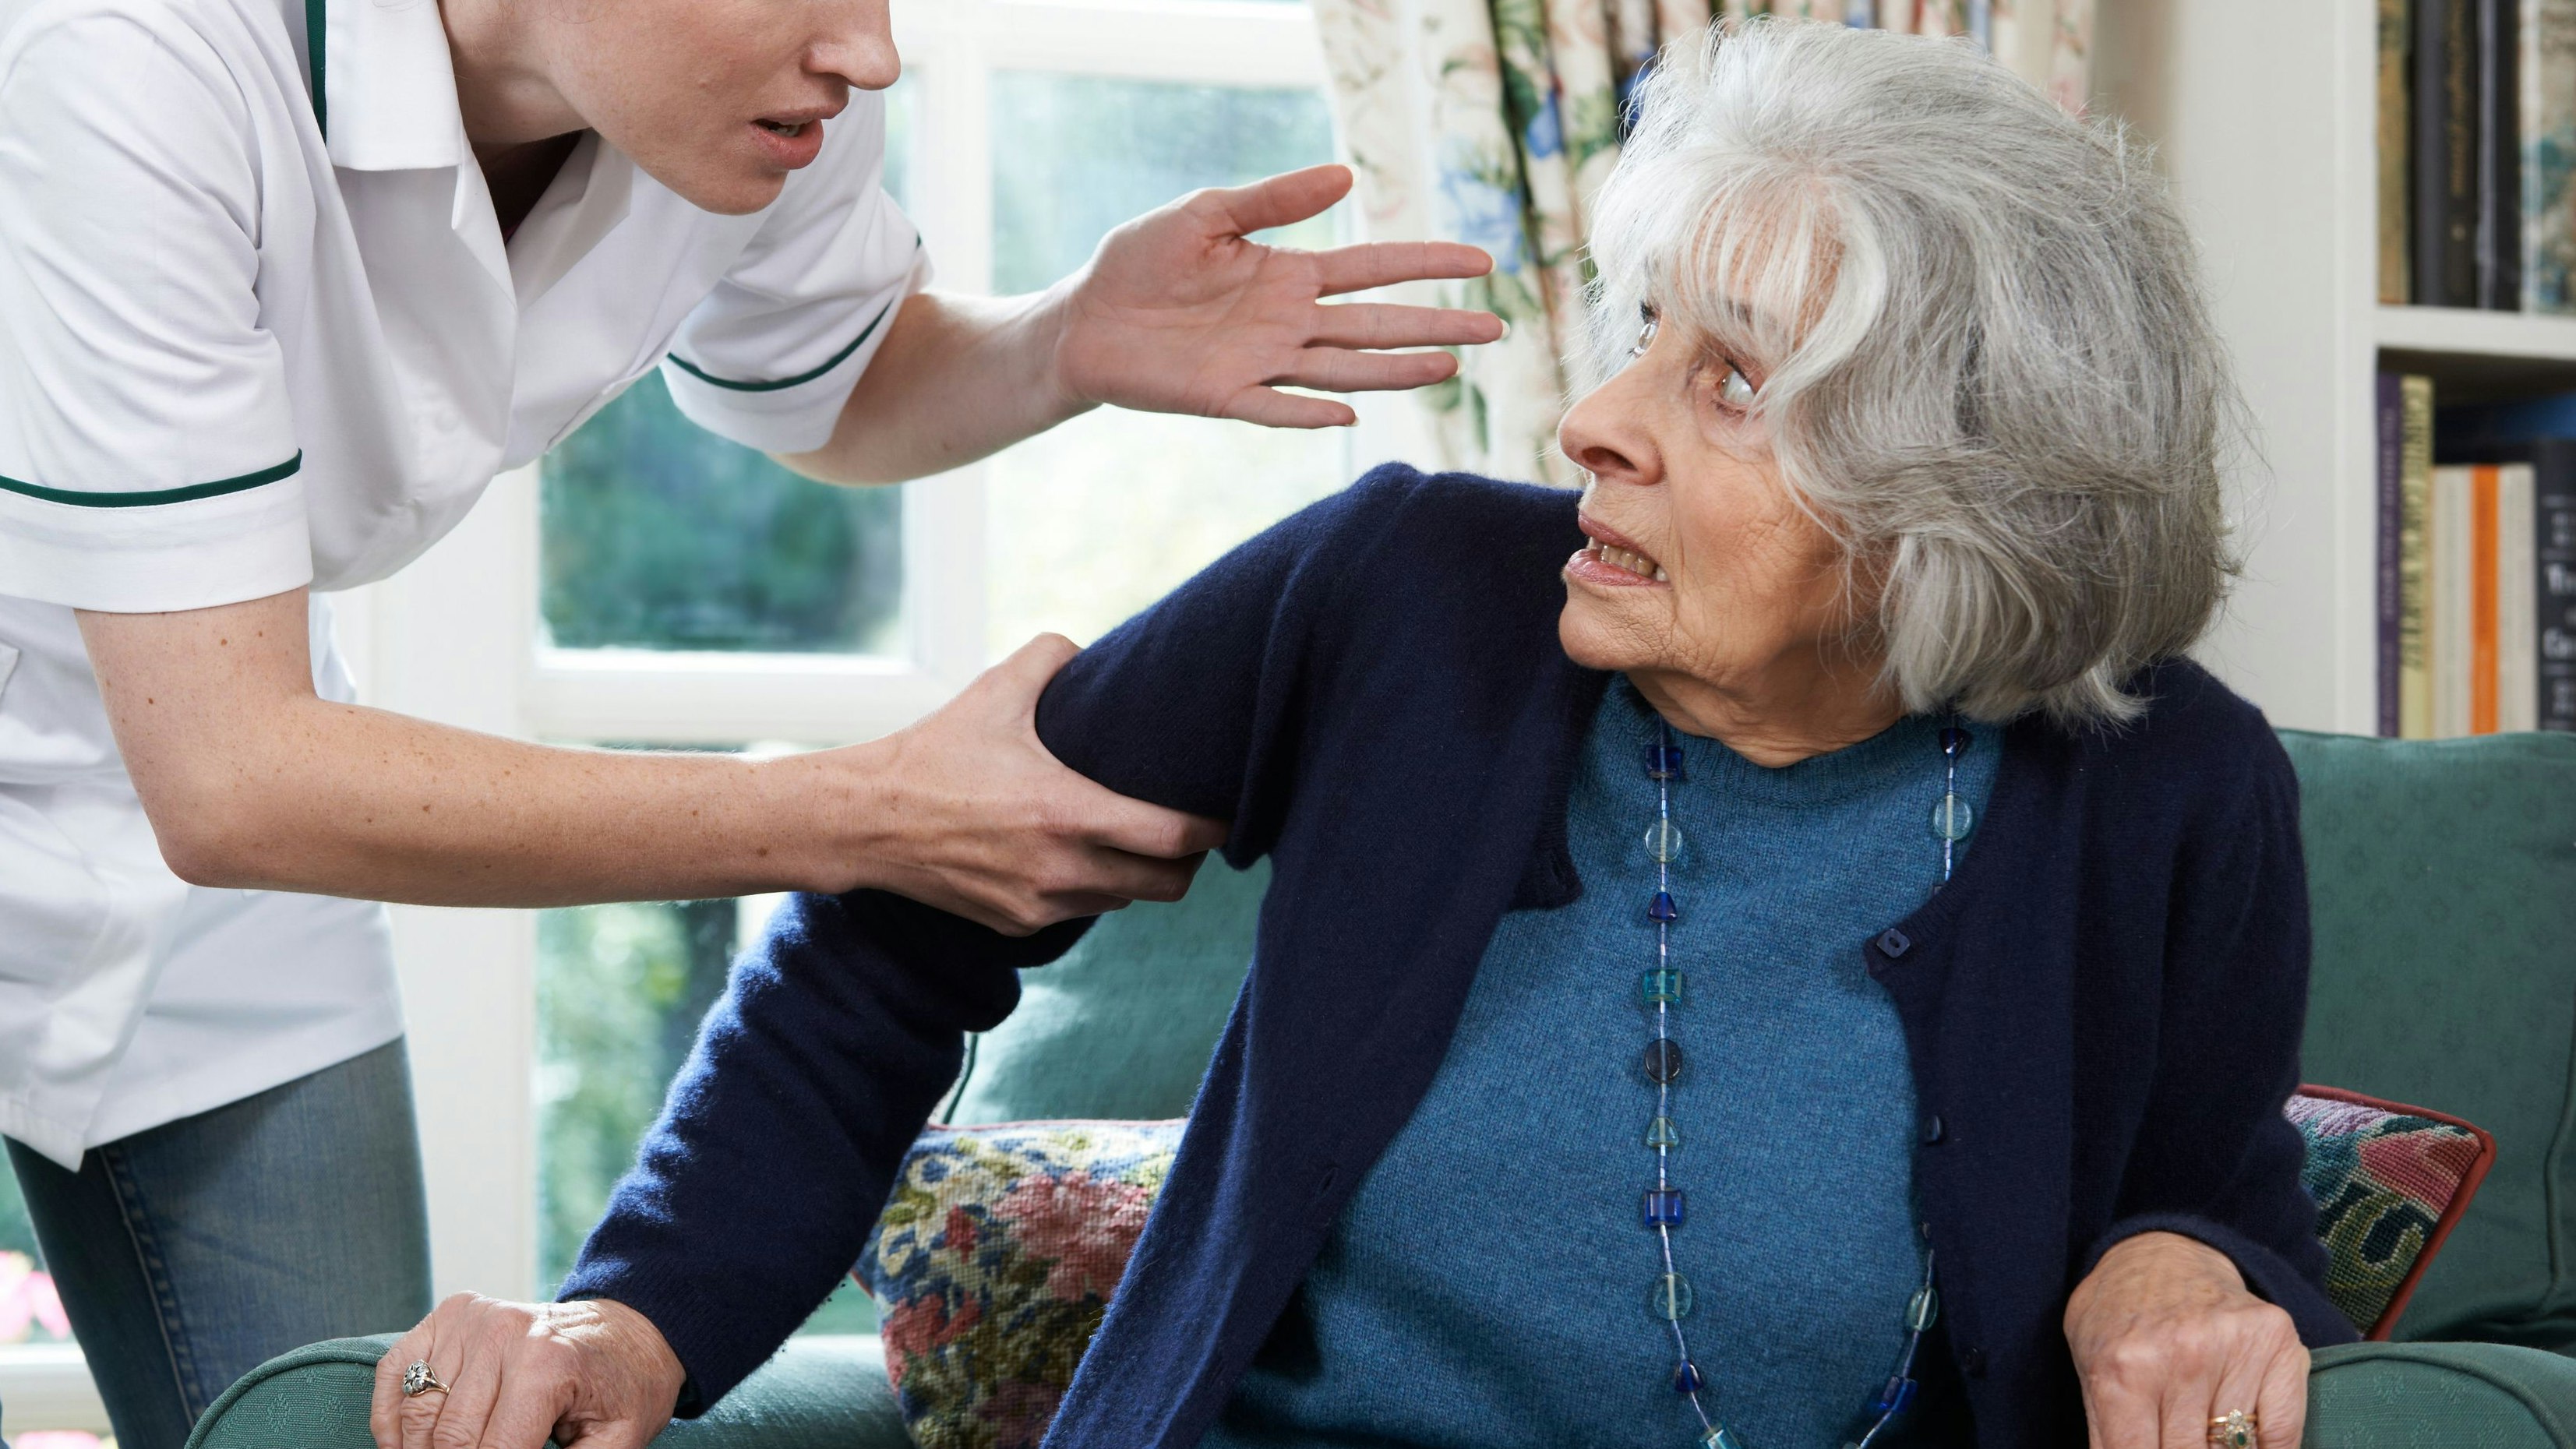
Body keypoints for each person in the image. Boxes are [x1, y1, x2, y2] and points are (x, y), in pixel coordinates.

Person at [370, 20, 2352, 1449]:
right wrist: (631, 1318)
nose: (1598, 414)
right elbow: (887, 937)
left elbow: (2213, 1195)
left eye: (1729, 381)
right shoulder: (1404, 598)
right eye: (1642, 323)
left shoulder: (2173, 791)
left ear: (1963, 493)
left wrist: (2179, 1259)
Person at [0, 0, 1503, 1432]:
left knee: (338, 1422)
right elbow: (235, 777)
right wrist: (872, 814)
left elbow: (830, 389)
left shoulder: (749, 94)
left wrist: (1062, 342)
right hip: (220, 755)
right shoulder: (125, 60)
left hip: (209, 856)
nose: (876, 51)